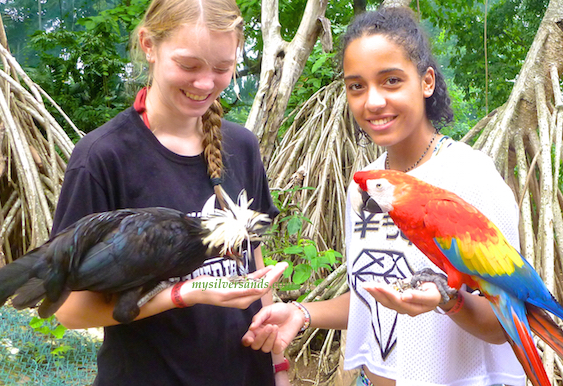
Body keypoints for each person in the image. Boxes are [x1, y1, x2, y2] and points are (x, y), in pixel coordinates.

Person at [242, 7, 526, 386]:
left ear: (426, 82)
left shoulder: (471, 179)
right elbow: (373, 297)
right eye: (356, 86)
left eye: (391, 80)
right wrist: (301, 312)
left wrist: (448, 300)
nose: (372, 101)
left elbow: (507, 325)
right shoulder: (366, 189)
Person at [52, 0, 289, 385]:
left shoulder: (241, 145)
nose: (204, 83)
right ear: (149, 45)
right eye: (188, 65)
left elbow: (253, 262)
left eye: (222, 68)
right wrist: (184, 293)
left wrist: (277, 360)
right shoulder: (104, 157)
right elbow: (69, 309)